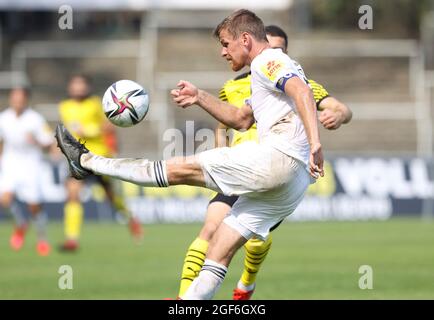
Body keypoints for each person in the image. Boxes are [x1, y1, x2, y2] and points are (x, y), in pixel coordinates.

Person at [55, 9, 324, 300]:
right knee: (219, 249)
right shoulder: (267, 71)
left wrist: (316, 143)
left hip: (276, 158)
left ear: (245, 39)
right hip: (293, 183)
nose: (223, 52)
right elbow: (241, 118)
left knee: (175, 170)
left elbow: (302, 93)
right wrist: (199, 97)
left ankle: (86, 161)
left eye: (225, 43)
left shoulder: (268, 60)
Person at [177, 25, 352, 300]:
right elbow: (224, 125)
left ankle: (247, 283)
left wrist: (338, 115)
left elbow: (341, 108)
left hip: (274, 170)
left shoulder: (294, 80)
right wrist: (221, 156)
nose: (273, 52)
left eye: (279, 49)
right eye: (269, 46)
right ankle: (184, 297)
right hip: (238, 168)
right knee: (209, 228)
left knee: (254, 237)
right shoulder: (232, 87)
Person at [58, 74, 143, 252]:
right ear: (69, 88)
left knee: (111, 197)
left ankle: (130, 219)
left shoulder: (96, 104)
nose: (78, 88)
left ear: (87, 87)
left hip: (99, 156)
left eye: (81, 84)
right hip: (78, 157)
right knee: (72, 193)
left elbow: (108, 127)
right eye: (75, 84)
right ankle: (72, 239)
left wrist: (89, 131)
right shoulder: (64, 107)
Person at [0, 87, 54, 256]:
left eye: (20, 99)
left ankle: (42, 238)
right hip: (10, 164)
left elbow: (48, 143)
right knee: (5, 199)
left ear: (26, 100)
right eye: (14, 98)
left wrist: (36, 141)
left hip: (31, 166)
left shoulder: (35, 119)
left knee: (34, 206)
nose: (17, 102)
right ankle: (21, 223)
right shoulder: (3, 118)